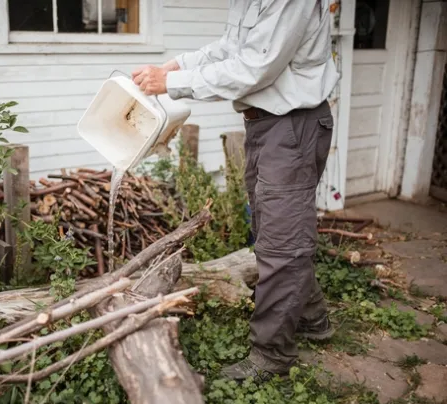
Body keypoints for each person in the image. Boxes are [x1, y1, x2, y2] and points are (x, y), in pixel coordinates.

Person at [132, 0, 339, 382]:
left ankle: (271, 355)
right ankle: (313, 318)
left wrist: (172, 84)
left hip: (291, 124)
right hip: (267, 125)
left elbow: (256, 66)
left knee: (281, 242)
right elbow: (232, 47)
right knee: (271, 230)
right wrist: (174, 66)